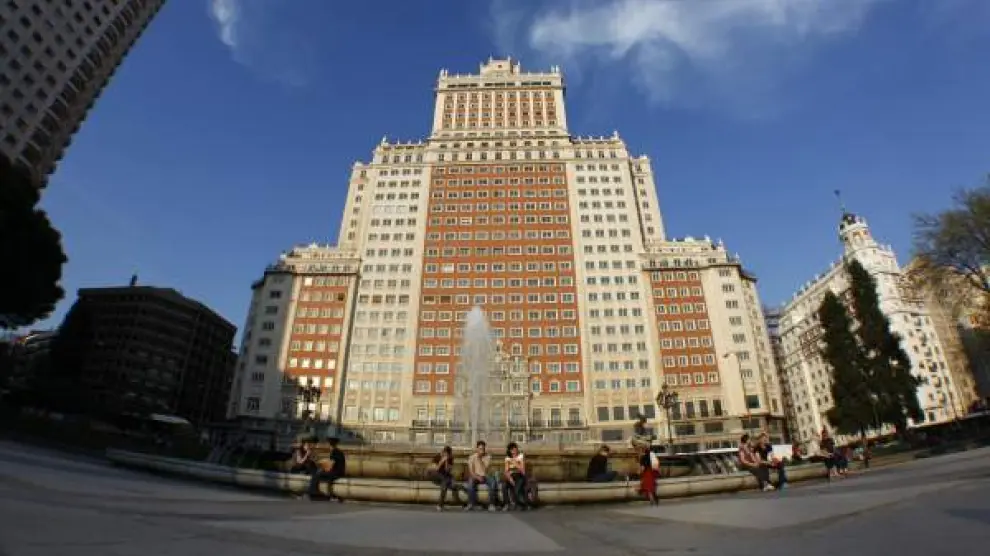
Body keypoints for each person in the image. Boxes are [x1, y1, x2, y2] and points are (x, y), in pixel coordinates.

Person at [303, 437, 345, 502]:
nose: (326, 444)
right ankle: (314, 491)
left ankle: (313, 492)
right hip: (337, 471)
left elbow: (331, 465)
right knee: (318, 474)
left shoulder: (335, 452)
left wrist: (323, 467)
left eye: (327, 443)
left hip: (336, 473)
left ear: (329, 444)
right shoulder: (336, 451)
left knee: (316, 475)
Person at [464, 440, 501, 511]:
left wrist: (480, 459)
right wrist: (477, 477)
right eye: (480, 449)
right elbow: (471, 471)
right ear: (477, 449)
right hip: (475, 476)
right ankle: (471, 504)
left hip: (485, 475)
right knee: (470, 482)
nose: (482, 450)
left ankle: (491, 504)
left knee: (493, 482)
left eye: (483, 449)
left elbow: (484, 470)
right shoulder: (471, 457)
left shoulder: (488, 457)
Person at [429, 445, 463, 511]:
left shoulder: (450, 459)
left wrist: (446, 461)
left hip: (444, 476)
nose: (446, 455)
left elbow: (447, 470)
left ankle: (442, 505)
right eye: (444, 453)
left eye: (448, 454)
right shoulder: (438, 456)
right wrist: (442, 461)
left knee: (450, 484)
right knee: (445, 482)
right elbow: (436, 469)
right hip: (434, 474)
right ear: (443, 452)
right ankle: (440, 505)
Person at [503, 442, 529, 510]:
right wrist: (510, 478)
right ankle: (507, 504)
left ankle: (520, 504)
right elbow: (506, 471)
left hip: (519, 476)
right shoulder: (507, 458)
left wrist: (515, 463)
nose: (514, 451)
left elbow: (523, 471)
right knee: (504, 486)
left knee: (517, 489)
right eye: (512, 450)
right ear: (510, 451)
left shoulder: (521, 456)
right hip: (511, 476)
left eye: (515, 449)